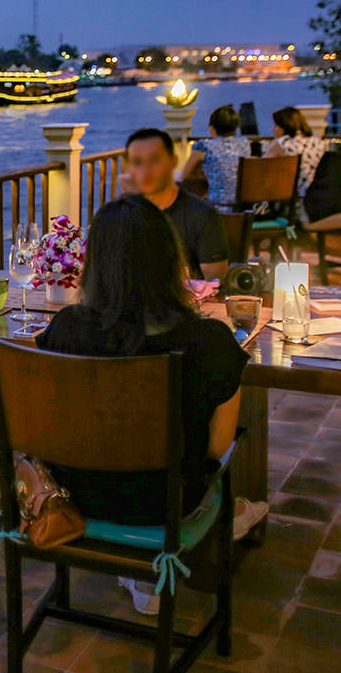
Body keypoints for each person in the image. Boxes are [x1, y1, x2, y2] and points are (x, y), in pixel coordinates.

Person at [35, 196, 267, 614]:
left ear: (97, 262)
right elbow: (217, 449)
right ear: (171, 259)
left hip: (75, 494)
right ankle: (223, 525)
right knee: (220, 466)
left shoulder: (65, 329)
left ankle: (141, 576)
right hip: (167, 504)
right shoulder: (208, 341)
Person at [124, 128, 228, 280]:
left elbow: (214, 278)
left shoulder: (202, 215)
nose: (146, 170)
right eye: (138, 162)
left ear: (172, 162)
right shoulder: (125, 213)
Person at [180, 104, 250, 208]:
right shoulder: (244, 144)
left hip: (218, 206)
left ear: (212, 128)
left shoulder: (204, 146)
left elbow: (185, 175)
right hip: (243, 206)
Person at [264, 106, 327, 199]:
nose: (273, 130)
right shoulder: (318, 142)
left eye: (276, 126)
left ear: (286, 126)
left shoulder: (282, 143)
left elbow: (262, 169)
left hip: (290, 196)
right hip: (317, 192)